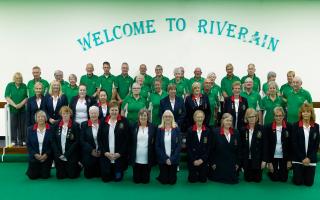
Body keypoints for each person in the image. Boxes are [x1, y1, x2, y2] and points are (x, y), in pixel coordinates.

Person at [98, 100, 130, 182]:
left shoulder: (124, 121)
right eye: (112, 110)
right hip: (106, 155)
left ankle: (118, 170)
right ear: (109, 110)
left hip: (119, 156)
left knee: (117, 179)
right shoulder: (103, 121)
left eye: (116, 110)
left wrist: (119, 153)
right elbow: (99, 138)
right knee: (106, 179)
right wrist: (105, 153)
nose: (114, 112)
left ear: (118, 110)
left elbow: (127, 139)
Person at [291, 103, 319, 186]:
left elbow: (316, 145)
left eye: (308, 111)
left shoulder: (317, 127)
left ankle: (303, 172)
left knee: (309, 183)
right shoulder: (295, 126)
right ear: (301, 114)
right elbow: (294, 144)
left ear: (311, 113)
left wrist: (309, 158)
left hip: (311, 159)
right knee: (298, 182)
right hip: (298, 158)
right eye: (303, 112)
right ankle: (297, 173)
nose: (306, 113)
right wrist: (303, 158)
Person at [208, 113, 241, 184]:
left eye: (230, 121)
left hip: (231, 162)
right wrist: (212, 163)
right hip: (218, 163)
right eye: (227, 120)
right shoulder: (215, 132)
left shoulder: (236, 133)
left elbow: (239, 150)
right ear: (222, 121)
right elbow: (211, 149)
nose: (229, 122)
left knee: (233, 180)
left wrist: (237, 163)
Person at [51, 106, 81, 179]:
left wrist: (67, 154)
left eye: (67, 113)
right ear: (61, 114)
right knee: (61, 176)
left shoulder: (75, 125)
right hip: (59, 154)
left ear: (70, 114)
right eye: (63, 113)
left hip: (71, 154)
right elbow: (53, 141)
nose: (65, 115)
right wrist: (58, 154)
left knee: (72, 176)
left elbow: (77, 141)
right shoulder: (56, 124)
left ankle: (78, 166)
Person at [264, 107, 292, 182]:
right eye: (276, 115)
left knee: (283, 179)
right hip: (273, 156)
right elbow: (266, 146)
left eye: (280, 115)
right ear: (274, 116)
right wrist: (269, 162)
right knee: (275, 178)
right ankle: (271, 171)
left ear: (283, 116)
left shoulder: (289, 126)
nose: (278, 117)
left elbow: (291, 145)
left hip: (284, 156)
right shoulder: (268, 127)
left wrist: (289, 160)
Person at [130, 109, 156, 184]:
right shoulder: (133, 126)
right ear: (139, 116)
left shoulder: (153, 127)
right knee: (136, 181)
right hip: (136, 157)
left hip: (147, 157)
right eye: (141, 115)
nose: (143, 117)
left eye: (145, 115)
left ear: (148, 117)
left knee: (145, 181)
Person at [240, 108, 266, 182]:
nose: (252, 119)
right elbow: (241, 147)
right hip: (247, 159)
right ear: (246, 118)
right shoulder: (243, 130)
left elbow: (265, 146)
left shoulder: (262, 129)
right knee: (248, 179)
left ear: (256, 117)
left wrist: (264, 160)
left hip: (258, 159)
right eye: (250, 117)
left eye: (254, 116)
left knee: (257, 180)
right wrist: (241, 163)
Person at [156, 110, 181, 185]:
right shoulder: (159, 129)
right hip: (163, 159)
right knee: (164, 181)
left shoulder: (176, 129)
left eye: (169, 116)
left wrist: (171, 159)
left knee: (172, 181)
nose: (167, 118)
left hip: (173, 159)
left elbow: (179, 146)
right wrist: (165, 159)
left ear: (172, 118)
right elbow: (157, 146)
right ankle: (162, 175)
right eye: (166, 116)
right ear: (163, 118)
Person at [26, 110, 53, 179]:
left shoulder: (51, 129)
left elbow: (52, 145)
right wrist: (35, 154)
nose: (40, 118)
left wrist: (46, 155)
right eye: (38, 117)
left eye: (42, 117)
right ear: (36, 119)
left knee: (45, 176)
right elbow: (28, 145)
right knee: (32, 177)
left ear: (45, 118)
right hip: (35, 157)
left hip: (46, 157)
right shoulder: (30, 129)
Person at [186, 110, 210, 183]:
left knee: (203, 180)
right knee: (192, 180)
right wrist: (194, 160)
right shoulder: (190, 130)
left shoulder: (208, 131)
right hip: (193, 159)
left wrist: (202, 160)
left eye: (201, 117)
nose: (200, 119)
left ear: (204, 118)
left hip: (203, 159)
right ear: (194, 118)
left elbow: (209, 148)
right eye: (198, 117)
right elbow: (188, 147)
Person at [5, 72, 28, 146]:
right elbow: (7, 96)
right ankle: (13, 140)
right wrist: (15, 105)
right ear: (14, 79)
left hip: (22, 109)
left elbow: (26, 97)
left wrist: (21, 104)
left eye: (20, 78)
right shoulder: (10, 85)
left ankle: (22, 140)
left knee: (22, 125)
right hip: (13, 109)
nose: (18, 79)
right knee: (13, 125)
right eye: (17, 78)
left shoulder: (24, 86)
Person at [80, 106, 101, 178]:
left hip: (101, 152)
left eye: (95, 113)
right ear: (89, 114)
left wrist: (101, 150)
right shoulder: (84, 124)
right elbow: (82, 140)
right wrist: (91, 150)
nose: (93, 115)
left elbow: (105, 139)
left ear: (98, 114)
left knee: (100, 175)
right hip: (89, 152)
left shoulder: (103, 124)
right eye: (92, 113)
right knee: (88, 176)